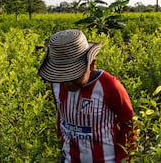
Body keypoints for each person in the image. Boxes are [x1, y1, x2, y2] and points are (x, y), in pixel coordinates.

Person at [38, 29, 136, 163]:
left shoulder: (109, 86)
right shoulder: (56, 84)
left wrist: (123, 160)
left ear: (91, 64)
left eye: (74, 75)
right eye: (62, 75)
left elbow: (129, 123)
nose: (68, 82)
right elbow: (61, 116)